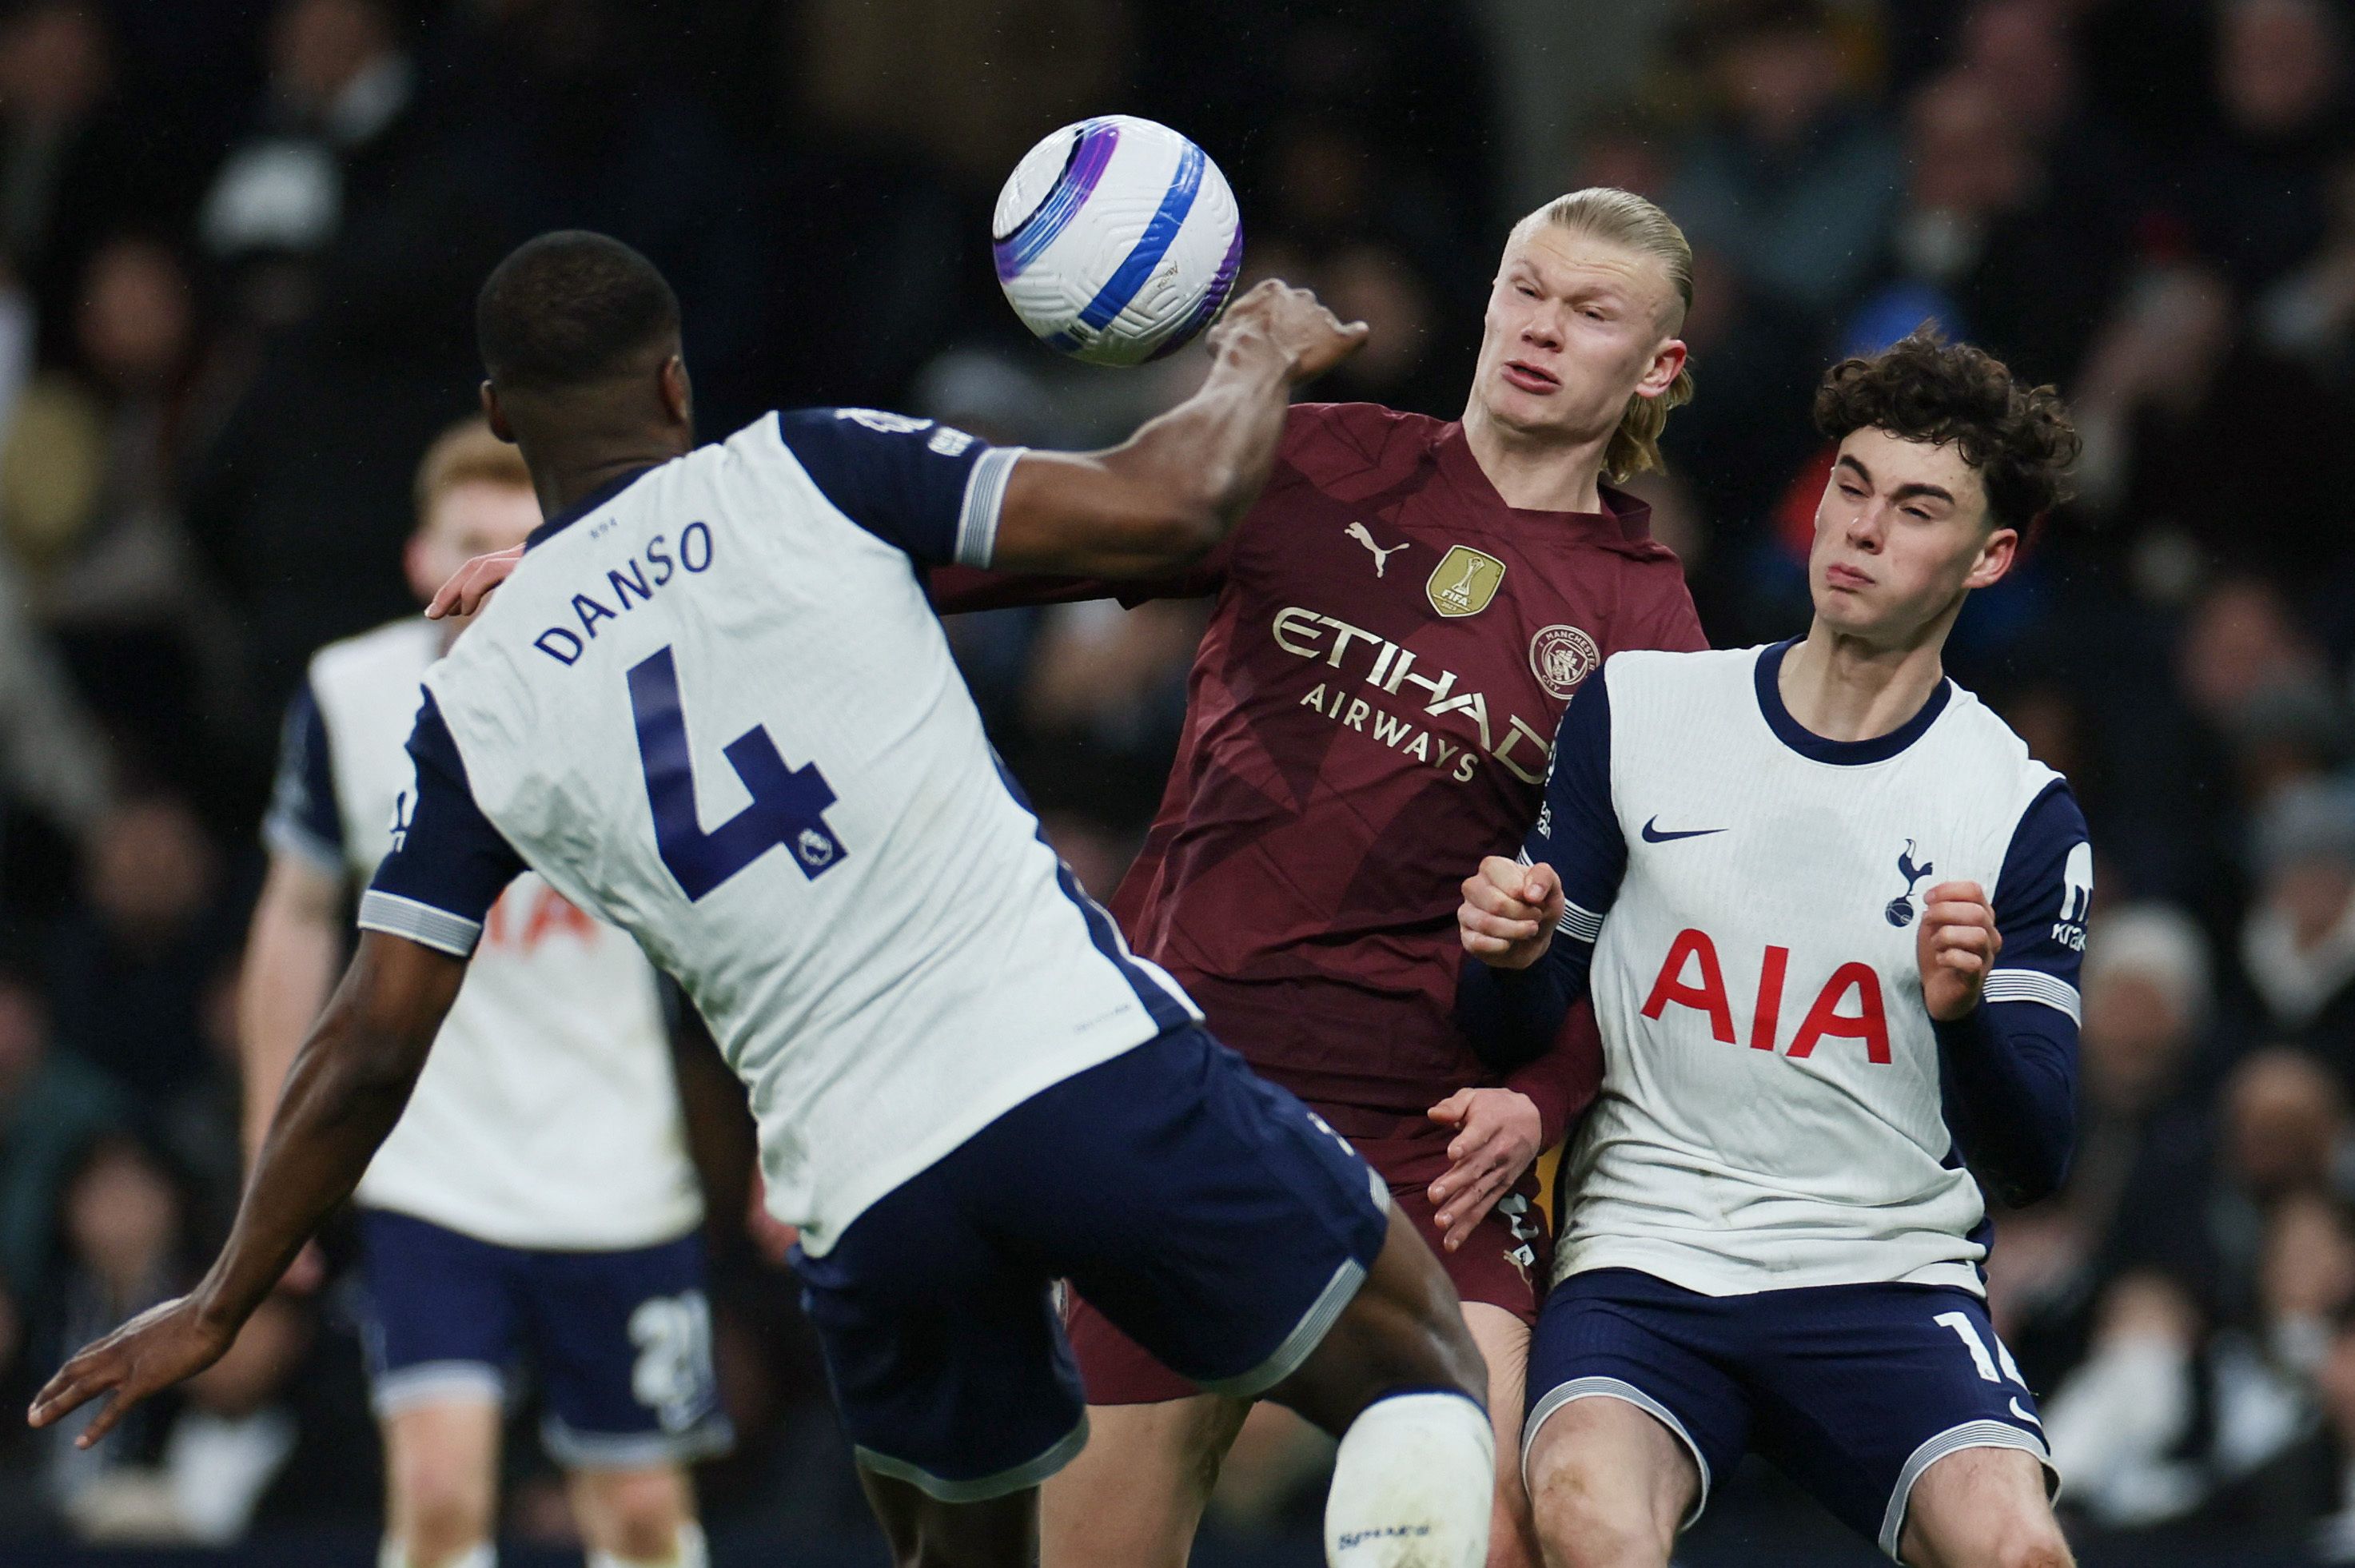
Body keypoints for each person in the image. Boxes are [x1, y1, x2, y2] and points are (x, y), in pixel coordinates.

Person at [29, 232, 1496, 1568]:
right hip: (1069, 1065)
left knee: (962, 1555)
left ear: (497, 415)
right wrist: (1254, 350)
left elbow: (365, 1043)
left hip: (863, 1191)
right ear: (677, 381)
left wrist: (221, 1292)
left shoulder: (469, 699)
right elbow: (1171, 507)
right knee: (1420, 1360)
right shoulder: (805, 467)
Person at [432, 188, 1710, 1568]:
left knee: (1493, 1528)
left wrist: (1539, 1097)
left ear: (1657, 368)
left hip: (1428, 1137)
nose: (1539, 329)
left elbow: (1645, 929)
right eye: (1525, 288)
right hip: (1186, 1095)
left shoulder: (1645, 622)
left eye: (1590, 313)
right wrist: (607, 568)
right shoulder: (1316, 460)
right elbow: (945, 549)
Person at [1457, 328, 2086, 1568]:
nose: (1858, 528)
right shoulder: (1643, 708)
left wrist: (1960, 1015)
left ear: (1990, 555)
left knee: (2017, 1551)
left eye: (1916, 509)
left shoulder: (2017, 808)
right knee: (1582, 1511)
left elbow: (2031, 1160)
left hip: (1886, 1274)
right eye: (1849, 485)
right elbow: (1510, 1031)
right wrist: (1507, 953)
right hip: (1646, 1256)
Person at [242, 418, 726, 1568]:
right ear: (423, 556)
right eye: (469, 540)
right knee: (441, 1491)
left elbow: (727, 922)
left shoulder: (644, 693)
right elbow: (296, 914)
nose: (492, 572)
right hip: (430, 1165)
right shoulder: (349, 694)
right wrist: (278, 1146)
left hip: (618, 1167)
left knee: (647, 1517)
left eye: (523, 541)